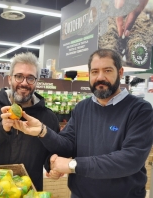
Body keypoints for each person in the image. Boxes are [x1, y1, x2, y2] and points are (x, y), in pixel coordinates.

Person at [12, 49, 153, 197]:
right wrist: (43, 132)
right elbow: (67, 144)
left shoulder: (140, 109)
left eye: (107, 70)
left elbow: (130, 159)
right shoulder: (82, 107)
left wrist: (72, 165)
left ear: (120, 72)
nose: (100, 77)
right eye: (94, 71)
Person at [0, 52, 60, 191]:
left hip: (28, 191)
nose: (24, 83)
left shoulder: (48, 117)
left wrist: (53, 164)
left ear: (36, 82)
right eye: (19, 76)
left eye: (30, 78)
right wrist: (0, 130)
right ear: (10, 79)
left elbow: (53, 153)